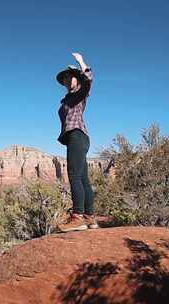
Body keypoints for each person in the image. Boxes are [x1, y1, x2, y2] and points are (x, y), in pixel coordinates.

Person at [56, 52, 99, 232]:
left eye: (69, 77)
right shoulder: (69, 98)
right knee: (83, 178)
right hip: (80, 138)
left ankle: (78, 217)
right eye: (64, 78)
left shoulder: (81, 93)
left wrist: (81, 62)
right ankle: (90, 218)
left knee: (74, 175)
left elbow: (88, 79)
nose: (66, 80)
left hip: (77, 136)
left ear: (77, 79)